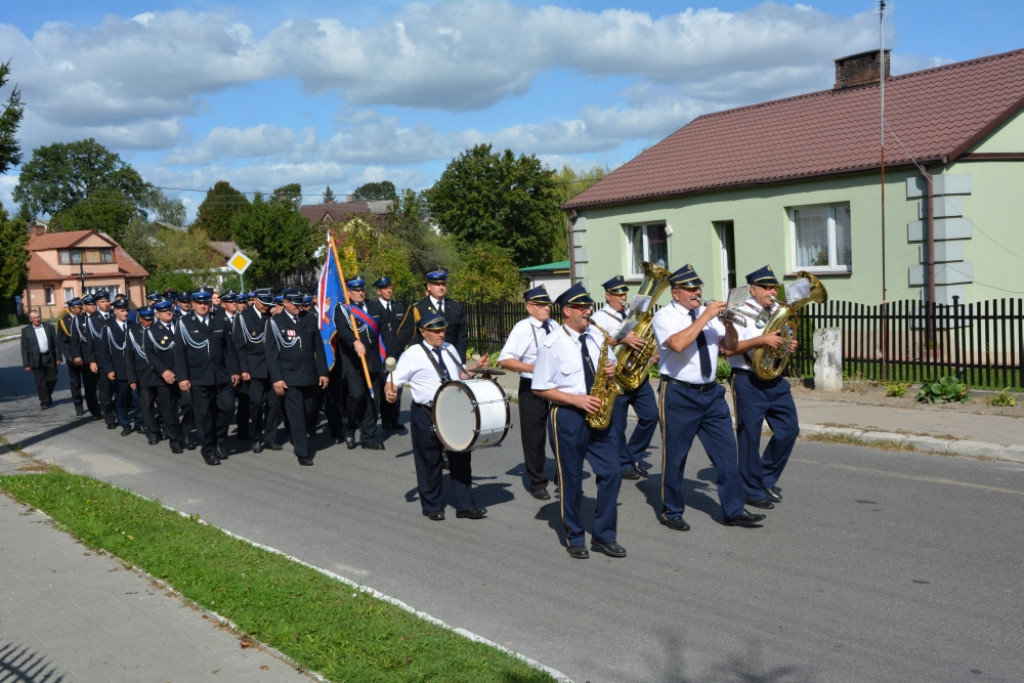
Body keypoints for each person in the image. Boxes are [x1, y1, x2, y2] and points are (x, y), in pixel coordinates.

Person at [651, 264, 766, 530]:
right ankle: (672, 509)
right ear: (676, 292)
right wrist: (705, 317)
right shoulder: (665, 316)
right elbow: (678, 345)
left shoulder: (708, 314)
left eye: (698, 287)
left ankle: (734, 509)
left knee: (726, 454)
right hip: (679, 392)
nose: (697, 292)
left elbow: (731, 347)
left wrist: (728, 323)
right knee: (676, 456)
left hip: (711, 393)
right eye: (691, 289)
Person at [531, 283, 625, 559]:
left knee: (612, 472)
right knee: (571, 479)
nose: (588, 311)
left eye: (589, 306)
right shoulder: (552, 344)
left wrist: (610, 371)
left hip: (599, 412)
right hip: (569, 416)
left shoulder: (597, 337)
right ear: (567, 311)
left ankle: (604, 536)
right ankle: (575, 537)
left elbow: (607, 369)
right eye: (582, 307)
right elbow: (539, 387)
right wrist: (576, 400)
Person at [384, 314, 489, 520]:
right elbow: (393, 379)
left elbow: (459, 376)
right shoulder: (413, 353)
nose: (442, 334)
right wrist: (390, 391)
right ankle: (432, 506)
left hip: (452, 411)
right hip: (426, 412)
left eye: (443, 330)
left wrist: (475, 368)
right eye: (436, 331)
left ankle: (465, 505)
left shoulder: (450, 349)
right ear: (423, 332)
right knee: (429, 460)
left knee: (460, 458)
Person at [725, 265, 798, 507]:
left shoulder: (778, 310)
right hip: (747, 379)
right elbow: (728, 349)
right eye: (766, 287)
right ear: (753, 289)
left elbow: (783, 339)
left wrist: (788, 345)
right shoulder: (739, 312)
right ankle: (750, 489)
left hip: (774, 379)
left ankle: (765, 479)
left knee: (789, 429)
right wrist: (761, 339)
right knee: (750, 436)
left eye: (775, 287)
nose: (772, 291)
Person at [589, 275, 659, 480]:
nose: (622, 297)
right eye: (618, 294)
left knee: (651, 416)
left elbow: (643, 337)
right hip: (616, 377)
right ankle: (623, 463)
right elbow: (596, 341)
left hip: (637, 373)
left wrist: (650, 354)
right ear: (607, 296)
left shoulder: (632, 313)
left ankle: (632, 455)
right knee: (618, 425)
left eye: (624, 293)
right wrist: (621, 339)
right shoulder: (600, 317)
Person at [497, 285, 556, 500]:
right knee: (534, 436)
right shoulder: (523, 328)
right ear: (529, 307)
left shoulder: (554, 325)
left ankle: (562, 473)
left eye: (547, 304)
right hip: (532, 387)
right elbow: (505, 359)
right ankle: (537, 481)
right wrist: (533, 368)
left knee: (559, 431)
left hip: (555, 386)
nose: (546, 308)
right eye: (541, 305)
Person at [174, 290, 240, 466]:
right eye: (199, 303)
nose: (203, 306)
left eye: (206, 303)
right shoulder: (184, 323)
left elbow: (229, 348)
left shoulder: (219, 319)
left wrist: (234, 371)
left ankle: (220, 440)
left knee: (227, 408)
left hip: (221, 375)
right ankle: (208, 450)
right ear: (193, 304)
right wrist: (182, 377)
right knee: (204, 416)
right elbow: (179, 353)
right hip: (198, 377)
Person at [266, 290, 329, 466]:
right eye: (294, 303)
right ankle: (303, 452)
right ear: (285, 303)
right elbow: (271, 355)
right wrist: (277, 379)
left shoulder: (309, 318)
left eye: (300, 302)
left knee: (309, 411)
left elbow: (319, 348)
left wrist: (323, 372)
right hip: (289, 376)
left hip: (310, 374)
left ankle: (299, 435)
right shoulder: (275, 322)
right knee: (297, 415)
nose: (298, 306)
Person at [334, 276, 386, 449]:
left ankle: (368, 437)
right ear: (348, 292)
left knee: (373, 399)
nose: (360, 292)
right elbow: (342, 329)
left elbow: (383, 330)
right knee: (356, 395)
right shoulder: (342, 309)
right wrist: (355, 342)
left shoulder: (374, 306)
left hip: (373, 359)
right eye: (356, 290)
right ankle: (350, 426)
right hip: (353, 361)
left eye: (362, 289)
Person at [234, 289, 281, 453]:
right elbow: (239, 346)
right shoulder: (243, 317)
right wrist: (244, 369)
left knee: (274, 405)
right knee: (256, 404)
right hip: (254, 368)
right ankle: (255, 437)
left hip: (272, 367)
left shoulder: (272, 316)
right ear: (255, 300)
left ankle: (270, 438)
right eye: (264, 304)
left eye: (269, 304)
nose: (266, 307)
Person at [144, 300, 188, 454]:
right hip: (164, 377)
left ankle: (185, 432)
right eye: (164, 311)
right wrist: (163, 371)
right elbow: (150, 354)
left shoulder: (181, 325)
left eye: (169, 310)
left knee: (190, 404)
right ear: (157, 313)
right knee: (169, 410)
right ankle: (175, 440)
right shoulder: (151, 331)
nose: (168, 313)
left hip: (184, 374)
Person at [375, 276, 412, 434]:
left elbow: (405, 329)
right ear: (379, 291)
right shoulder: (374, 308)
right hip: (381, 354)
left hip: (397, 354)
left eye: (390, 287)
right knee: (385, 385)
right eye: (385, 288)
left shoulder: (398, 307)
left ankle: (394, 418)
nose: (389, 290)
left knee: (398, 385)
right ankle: (385, 419)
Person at [126, 306, 163, 444]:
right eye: (146, 320)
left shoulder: (158, 329)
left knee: (164, 404)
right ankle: (152, 432)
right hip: (143, 375)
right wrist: (132, 378)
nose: (150, 322)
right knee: (147, 406)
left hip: (160, 374)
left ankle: (161, 426)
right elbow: (129, 357)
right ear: (140, 319)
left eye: (151, 319)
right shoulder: (132, 331)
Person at [414, 269, 468, 361]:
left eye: (443, 284)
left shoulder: (456, 307)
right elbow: (415, 337)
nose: (441, 287)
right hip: (427, 359)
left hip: (453, 359)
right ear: (429, 286)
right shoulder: (419, 308)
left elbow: (462, 336)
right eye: (437, 284)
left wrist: (460, 360)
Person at [21, 310, 60, 409]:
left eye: (38, 317)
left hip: (49, 356)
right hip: (36, 358)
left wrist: (58, 357)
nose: (37, 319)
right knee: (40, 381)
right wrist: (26, 364)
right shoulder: (26, 331)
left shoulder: (49, 327)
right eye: (34, 318)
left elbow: (56, 343)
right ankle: (44, 401)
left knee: (53, 378)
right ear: (31, 320)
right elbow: (24, 349)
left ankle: (47, 394)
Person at [56, 297, 87, 415]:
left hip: (85, 356)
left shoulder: (84, 318)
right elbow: (62, 341)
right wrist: (70, 357)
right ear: (72, 309)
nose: (81, 309)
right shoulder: (64, 322)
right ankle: (78, 404)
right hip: (73, 357)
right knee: (75, 382)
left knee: (90, 381)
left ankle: (93, 402)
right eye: (79, 308)